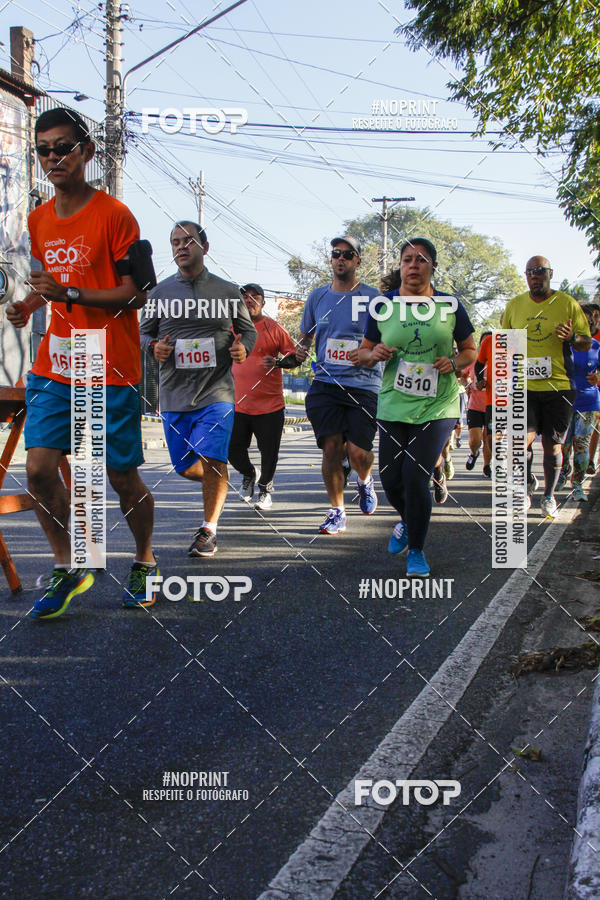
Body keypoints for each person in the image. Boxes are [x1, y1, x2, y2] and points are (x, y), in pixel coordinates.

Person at [6, 107, 157, 618]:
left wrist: (68, 292)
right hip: (55, 363)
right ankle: (70, 564)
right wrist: (30, 304)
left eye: (62, 148)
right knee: (38, 469)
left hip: (108, 363)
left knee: (119, 477)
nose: (52, 157)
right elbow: (53, 283)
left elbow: (135, 294)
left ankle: (144, 559)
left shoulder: (116, 215)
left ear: (87, 152)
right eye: (43, 150)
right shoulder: (38, 219)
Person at [358, 237, 476, 577]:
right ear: (400, 266)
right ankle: (410, 521)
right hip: (394, 403)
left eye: (421, 259)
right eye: (407, 259)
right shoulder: (383, 306)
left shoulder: (449, 305)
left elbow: (470, 349)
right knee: (390, 477)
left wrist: (454, 362)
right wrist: (373, 354)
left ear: (433, 266)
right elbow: (364, 353)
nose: (413, 265)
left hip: (438, 405)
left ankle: (417, 551)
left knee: (414, 475)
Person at [139, 221, 256, 557]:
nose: (181, 246)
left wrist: (243, 348)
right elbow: (143, 334)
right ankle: (220, 479)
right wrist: (154, 348)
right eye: (175, 241)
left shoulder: (228, 291)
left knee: (213, 458)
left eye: (188, 240)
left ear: (205, 247)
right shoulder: (160, 294)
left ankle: (208, 530)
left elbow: (248, 331)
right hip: (174, 394)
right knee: (186, 467)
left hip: (216, 392)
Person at [298, 236, 381, 534]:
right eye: (336, 254)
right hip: (325, 384)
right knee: (331, 448)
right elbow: (305, 336)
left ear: (358, 261)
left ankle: (365, 480)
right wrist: (299, 351)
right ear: (331, 259)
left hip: (364, 385)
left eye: (347, 254)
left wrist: (370, 354)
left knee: (358, 453)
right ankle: (337, 512)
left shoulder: (374, 298)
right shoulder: (317, 297)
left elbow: (389, 338)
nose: (341, 258)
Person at [502, 256, 591, 518]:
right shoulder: (515, 305)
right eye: (530, 272)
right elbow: (505, 343)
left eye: (540, 271)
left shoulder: (567, 304)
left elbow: (585, 342)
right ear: (526, 276)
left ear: (550, 274)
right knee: (520, 441)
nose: (535, 276)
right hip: (524, 386)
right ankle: (524, 489)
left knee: (553, 446)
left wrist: (572, 337)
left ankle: (549, 497)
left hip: (559, 386)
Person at [229, 283, 306, 510]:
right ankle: (249, 473)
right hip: (236, 405)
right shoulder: (231, 328)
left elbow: (294, 357)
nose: (249, 300)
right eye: (245, 297)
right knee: (232, 449)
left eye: (255, 297)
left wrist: (278, 362)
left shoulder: (274, 328)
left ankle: (265, 490)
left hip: (269, 406)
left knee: (269, 452)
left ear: (263, 302)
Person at [556, 304, 600, 501]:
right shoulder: (560, 345)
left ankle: (578, 485)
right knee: (563, 446)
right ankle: (563, 473)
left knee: (581, 445)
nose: (585, 324)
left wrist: (598, 376)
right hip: (562, 402)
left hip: (588, 403)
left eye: (588, 321)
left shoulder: (596, 347)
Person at [463, 332, 492, 472]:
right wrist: (467, 384)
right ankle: (474, 453)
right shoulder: (473, 361)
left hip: (491, 406)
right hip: (475, 406)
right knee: (476, 440)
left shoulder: (500, 364)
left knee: (488, 439)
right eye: (484, 343)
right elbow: (463, 375)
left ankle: (487, 466)